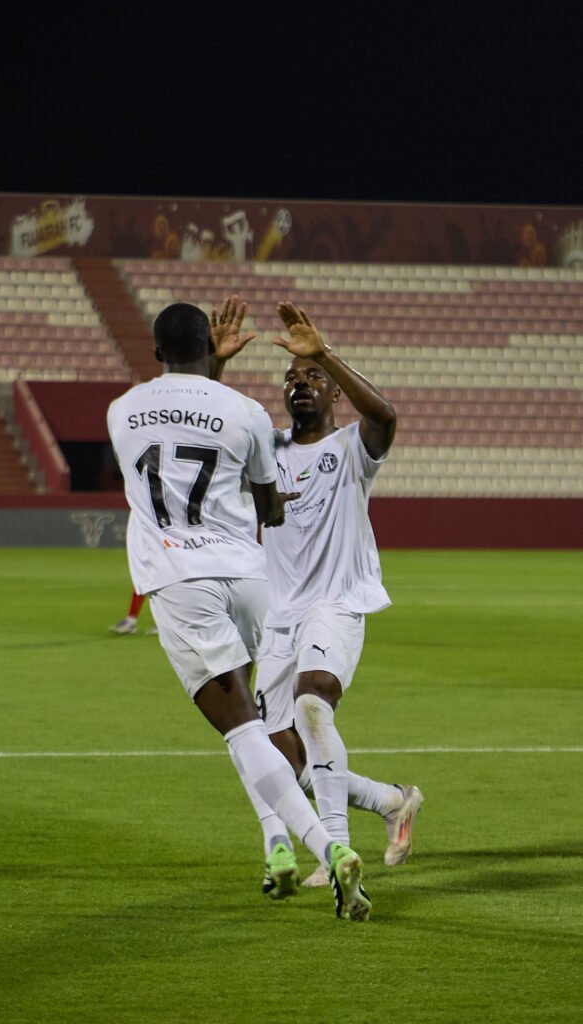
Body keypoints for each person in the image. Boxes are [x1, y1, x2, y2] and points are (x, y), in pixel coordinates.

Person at [107, 296, 372, 921]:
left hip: (182, 581)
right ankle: (276, 848)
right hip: (252, 580)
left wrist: (209, 370)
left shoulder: (121, 411)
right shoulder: (246, 411)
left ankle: (326, 848)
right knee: (253, 719)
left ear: (156, 350)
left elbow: (176, 435)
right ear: (208, 346)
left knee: (243, 730)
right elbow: (267, 504)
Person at [223, 301, 423, 891]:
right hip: (279, 617)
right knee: (284, 761)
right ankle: (391, 801)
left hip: (336, 603)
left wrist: (325, 356)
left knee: (314, 704)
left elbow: (385, 416)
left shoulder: (351, 448)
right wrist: (216, 366)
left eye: (312, 377)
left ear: (333, 391)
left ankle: (334, 848)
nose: (301, 383)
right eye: (292, 377)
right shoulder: (267, 452)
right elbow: (215, 433)